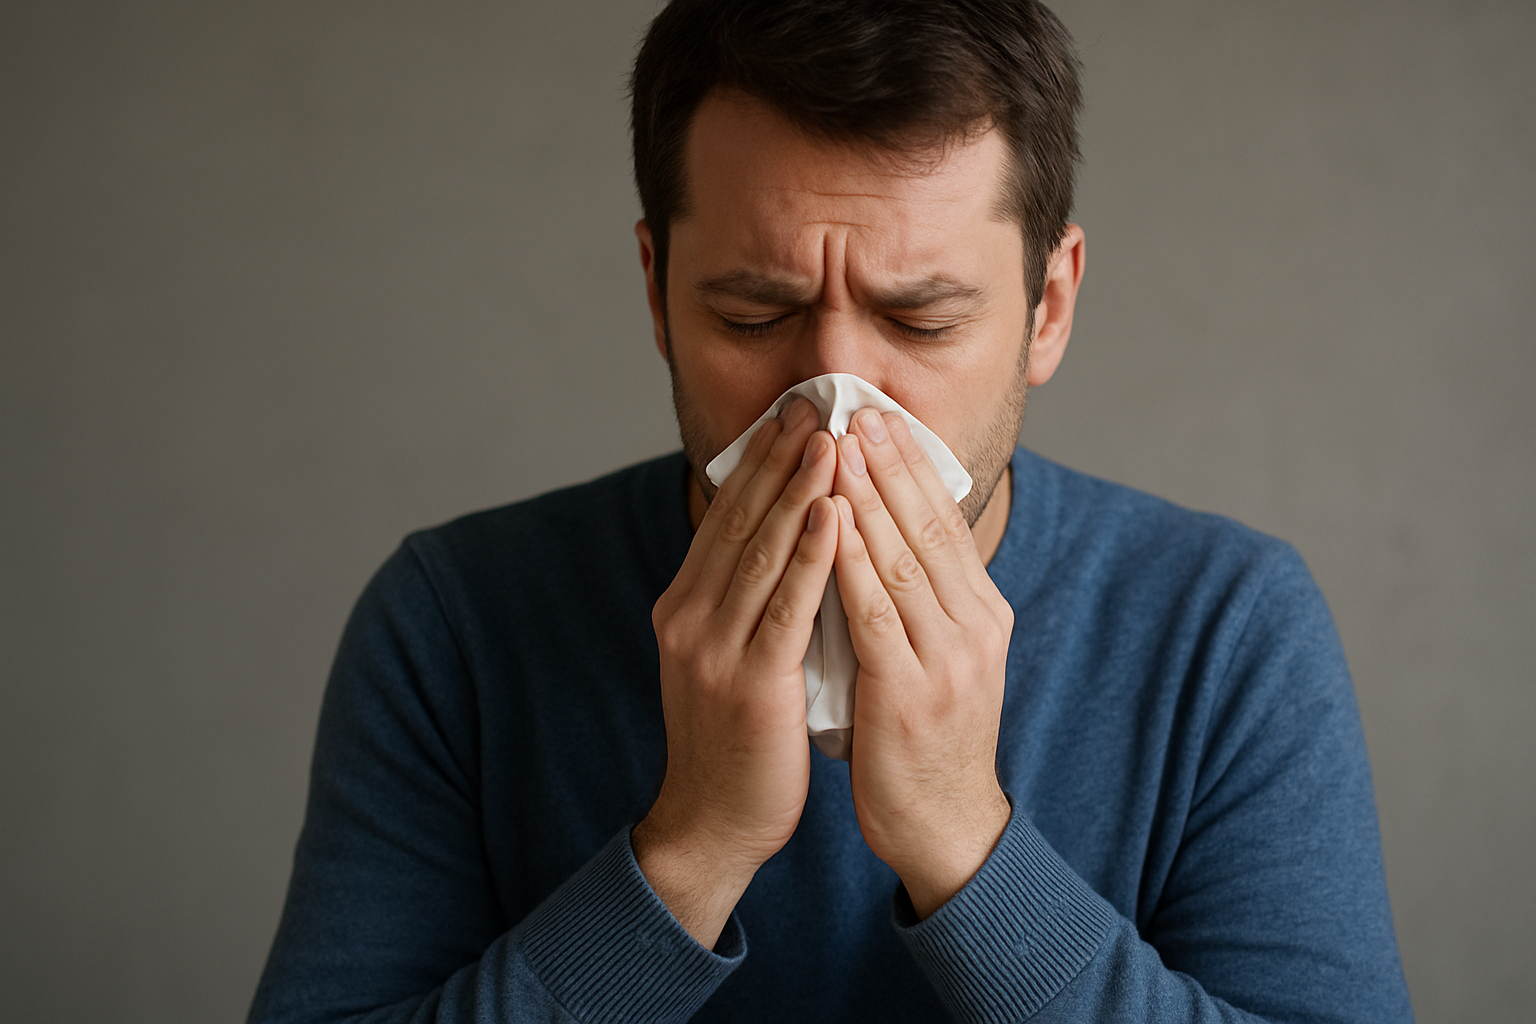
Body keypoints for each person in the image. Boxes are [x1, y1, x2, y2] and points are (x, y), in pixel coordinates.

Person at [249, 1, 1414, 1021]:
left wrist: (965, 842)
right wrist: (692, 848)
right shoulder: (458, 623)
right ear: (657, 294)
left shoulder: (1224, 629)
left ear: (1047, 309)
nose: (836, 410)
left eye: (922, 321)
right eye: (754, 318)